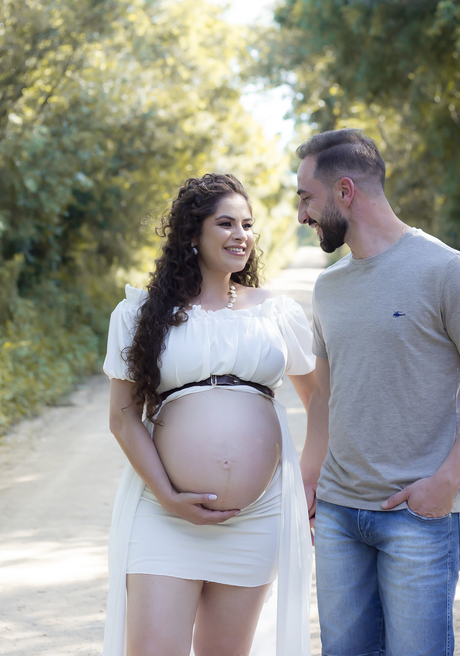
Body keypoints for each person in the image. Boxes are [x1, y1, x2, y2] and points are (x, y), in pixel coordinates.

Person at [295, 129, 460, 656]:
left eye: (307, 198)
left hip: (416, 518)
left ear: (344, 191)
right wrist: (308, 478)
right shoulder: (329, 287)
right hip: (337, 517)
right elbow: (325, 398)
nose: (301, 214)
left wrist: (446, 481)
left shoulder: (445, 270)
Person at [102, 173, 317, 656]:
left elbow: (320, 401)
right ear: (192, 234)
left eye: (247, 224)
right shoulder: (141, 313)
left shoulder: (276, 313)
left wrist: (308, 479)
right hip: (163, 515)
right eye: (225, 223)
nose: (241, 235)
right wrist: (168, 494)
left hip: (255, 517)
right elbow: (122, 417)